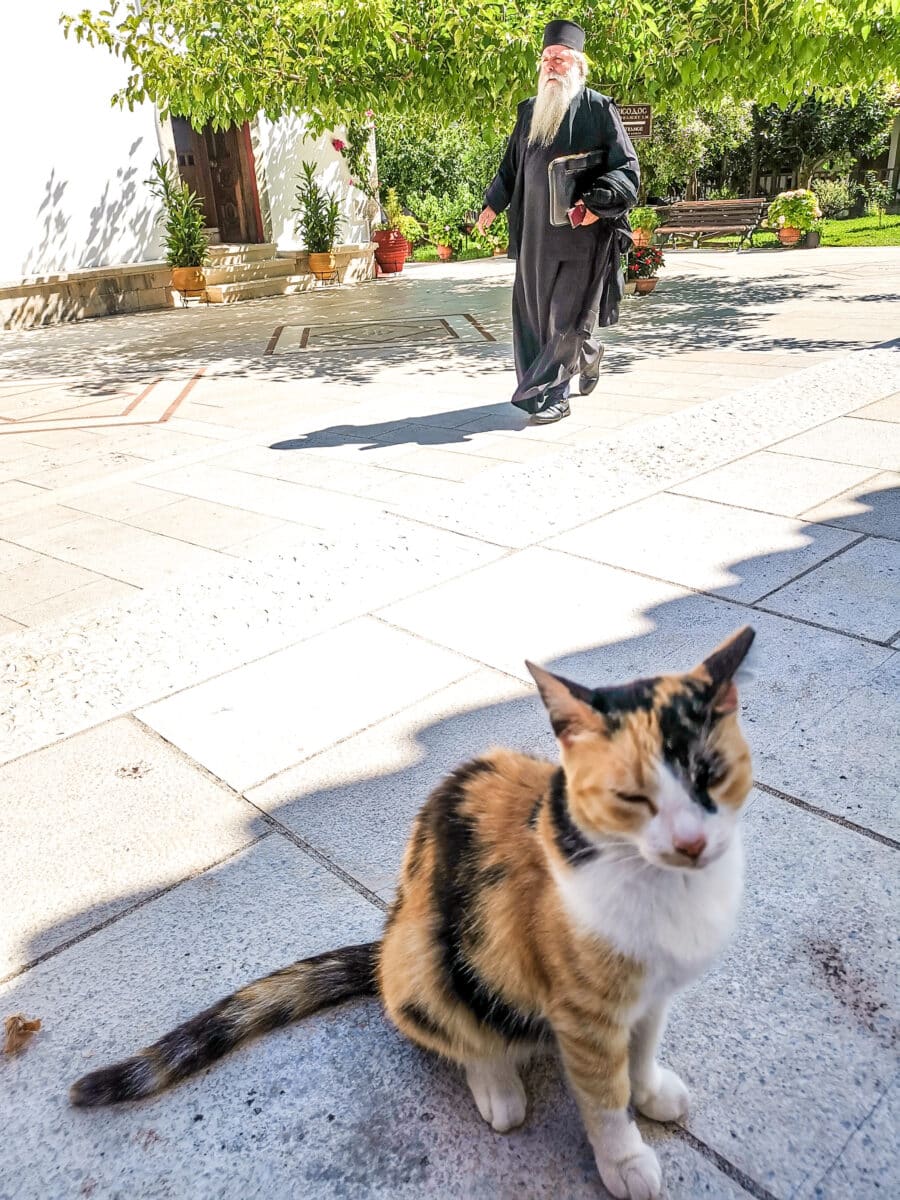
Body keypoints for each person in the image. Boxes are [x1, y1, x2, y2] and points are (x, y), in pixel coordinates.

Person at [476, 20, 640, 423]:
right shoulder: (530, 111)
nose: (551, 65)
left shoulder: (599, 109)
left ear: (578, 66)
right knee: (533, 318)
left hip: (579, 238)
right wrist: (493, 204)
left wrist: (595, 203)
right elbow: (512, 167)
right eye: (547, 58)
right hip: (534, 238)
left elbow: (627, 170)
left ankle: (553, 396)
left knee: (565, 318)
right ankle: (587, 355)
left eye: (560, 59)